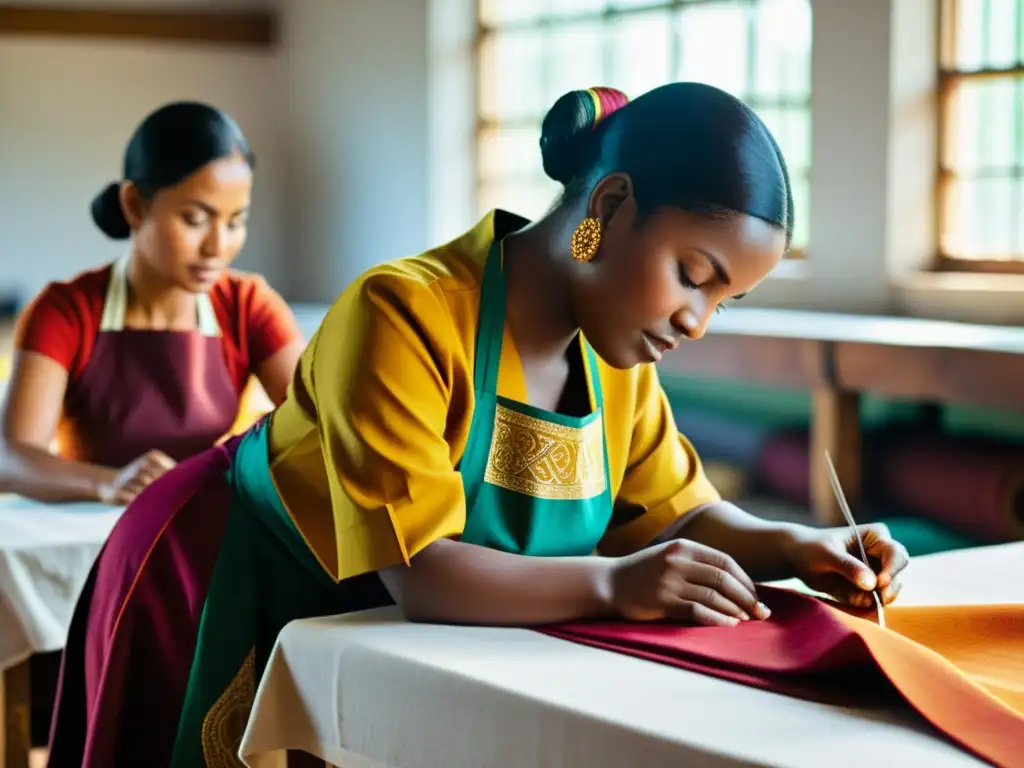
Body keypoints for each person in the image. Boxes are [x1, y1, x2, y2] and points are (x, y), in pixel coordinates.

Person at [47, 83, 909, 768]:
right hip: (218, 578)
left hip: (375, 629)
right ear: (606, 207)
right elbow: (422, 576)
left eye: (727, 298)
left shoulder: (618, 359)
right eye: (693, 274)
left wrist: (794, 545)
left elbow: (673, 514)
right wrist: (615, 584)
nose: (697, 320)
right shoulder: (404, 314)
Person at [0, 101, 304, 506]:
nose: (218, 247)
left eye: (235, 222)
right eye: (195, 219)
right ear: (135, 205)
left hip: (208, 527)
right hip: (85, 542)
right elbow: (10, 457)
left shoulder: (249, 305)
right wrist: (108, 483)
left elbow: (316, 424)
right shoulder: (66, 310)